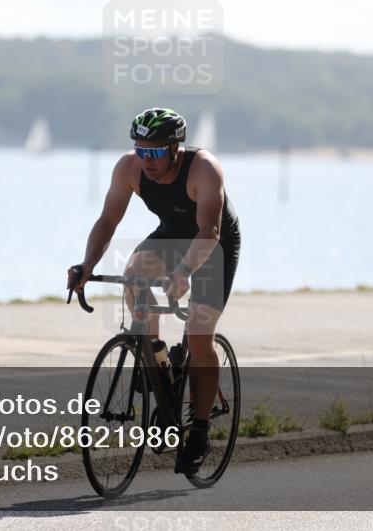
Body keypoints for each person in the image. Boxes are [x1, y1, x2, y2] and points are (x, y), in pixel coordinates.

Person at [68, 107, 241, 474]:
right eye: (140, 150)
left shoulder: (204, 169)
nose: (146, 160)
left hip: (214, 244)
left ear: (175, 148)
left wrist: (183, 272)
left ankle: (198, 430)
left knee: (197, 335)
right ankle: (159, 363)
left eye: (155, 151)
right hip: (172, 235)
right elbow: (108, 221)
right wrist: (87, 266)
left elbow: (208, 233)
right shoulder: (128, 168)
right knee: (135, 276)